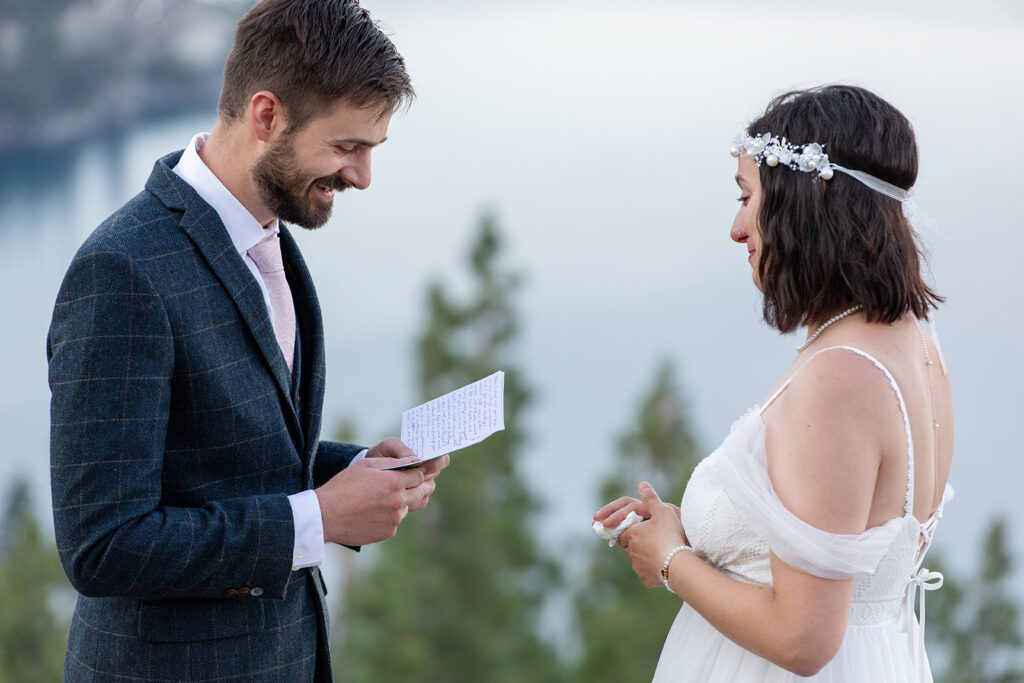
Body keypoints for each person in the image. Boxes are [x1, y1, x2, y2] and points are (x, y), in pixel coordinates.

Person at [47, 1, 449, 680]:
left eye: (371, 150)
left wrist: (350, 472)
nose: (361, 176)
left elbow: (217, 451)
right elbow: (104, 545)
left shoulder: (270, 239)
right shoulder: (121, 271)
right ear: (266, 116)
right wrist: (318, 516)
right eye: (347, 147)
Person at [595, 85, 953, 682]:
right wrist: (709, 535)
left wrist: (669, 560)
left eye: (747, 197)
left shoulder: (841, 376)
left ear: (805, 202)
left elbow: (803, 639)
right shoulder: (915, 343)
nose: (737, 228)